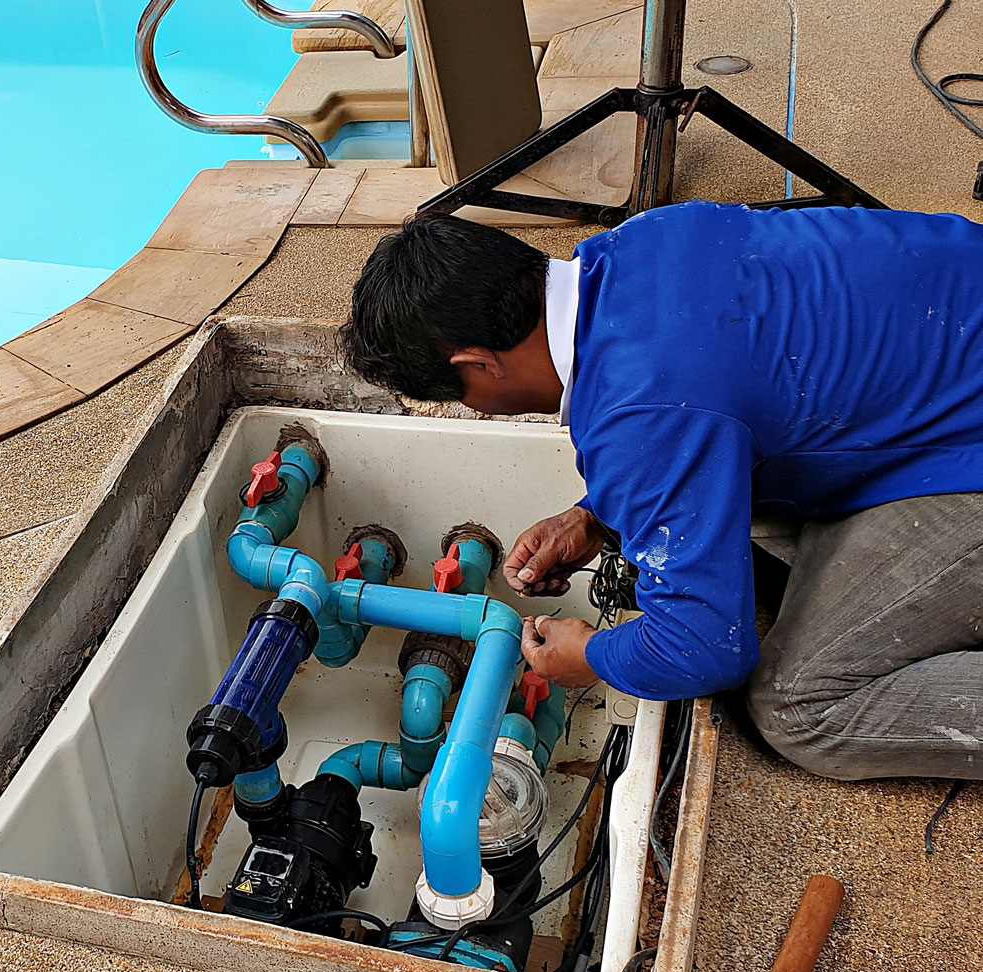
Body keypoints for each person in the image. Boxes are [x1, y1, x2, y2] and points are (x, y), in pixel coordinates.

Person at [337, 203, 983, 780]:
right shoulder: (642, 239)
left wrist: (593, 655)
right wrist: (598, 515)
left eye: (463, 397)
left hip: (966, 450)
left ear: (477, 363)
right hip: (954, 340)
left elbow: (705, 648)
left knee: (796, 706)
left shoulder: (640, 418)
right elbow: (710, 391)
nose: (477, 409)